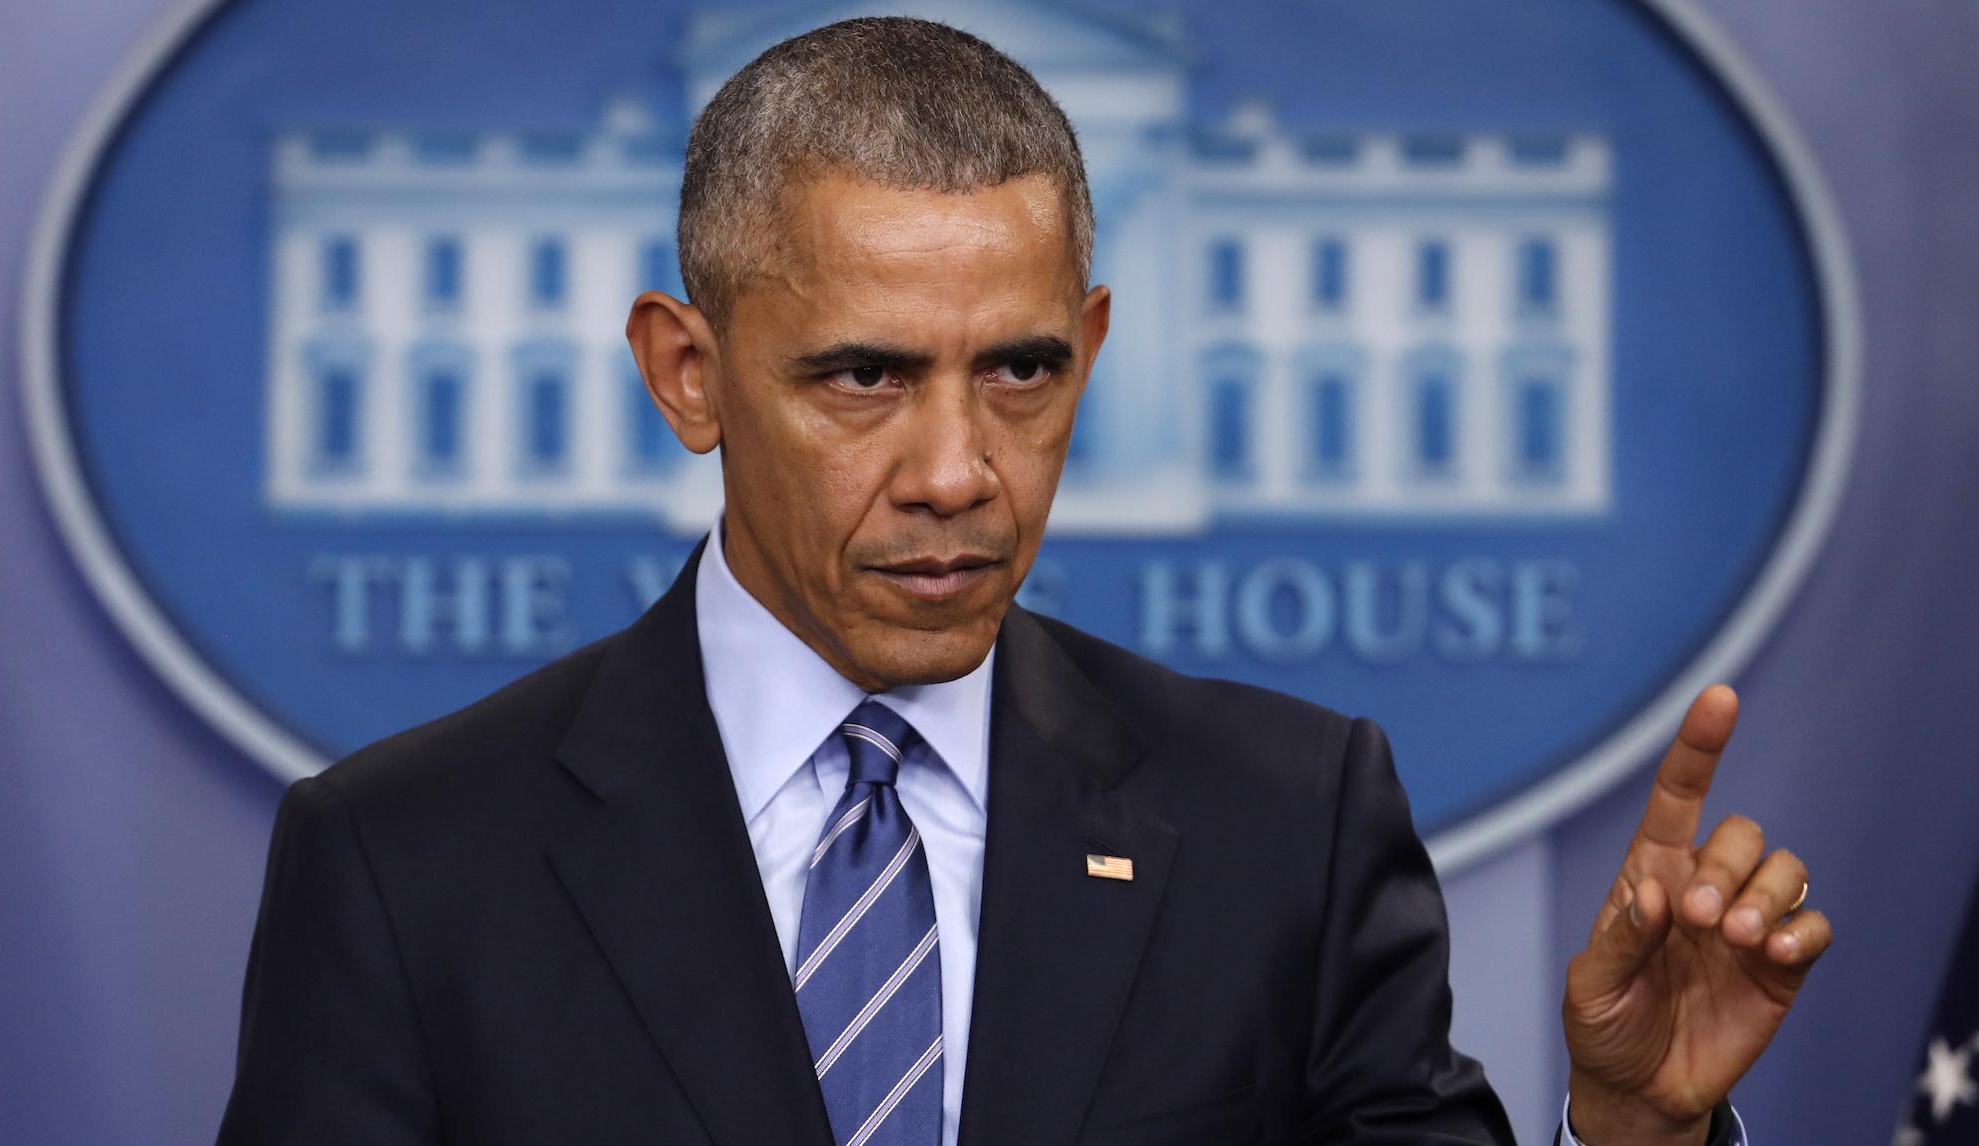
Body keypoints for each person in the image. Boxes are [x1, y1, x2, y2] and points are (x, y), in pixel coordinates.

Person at [214, 17, 1831, 1146]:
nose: (954, 468)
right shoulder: (403, 862)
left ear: (1094, 348)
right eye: (860, 377)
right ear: (687, 373)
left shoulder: (1289, 818)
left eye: (1022, 371)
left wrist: (1624, 1132)